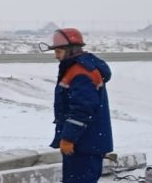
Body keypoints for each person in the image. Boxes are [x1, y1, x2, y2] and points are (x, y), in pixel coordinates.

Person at [41, 27, 113, 183]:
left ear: (71, 50)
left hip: (85, 144)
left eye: (58, 52)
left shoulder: (80, 72)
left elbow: (82, 110)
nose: (56, 57)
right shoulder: (76, 68)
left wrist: (68, 138)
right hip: (85, 142)